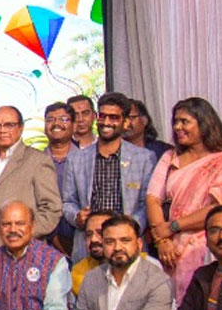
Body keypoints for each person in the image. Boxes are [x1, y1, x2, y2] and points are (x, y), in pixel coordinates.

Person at [145, 96, 222, 301]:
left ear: (204, 124)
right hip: (172, 249)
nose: (177, 127)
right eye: (175, 122)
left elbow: (220, 210)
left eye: (184, 121)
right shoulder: (170, 156)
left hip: (210, 245)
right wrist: (162, 241)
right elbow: (152, 198)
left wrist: (173, 226)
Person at [61, 92, 157, 264]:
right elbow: (67, 202)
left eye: (113, 117)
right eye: (102, 116)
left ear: (125, 122)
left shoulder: (144, 158)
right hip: (88, 247)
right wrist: (77, 217)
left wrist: (129, 228)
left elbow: (147, 204)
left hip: (127, 245)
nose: (106, 122)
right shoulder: (76, 158)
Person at [0, 107, 62, 258]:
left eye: (9, 125)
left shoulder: (38, 161)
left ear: (21, 128)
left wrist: (22, 233)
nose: (2, 130)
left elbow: (52, 209)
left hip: (22, 254)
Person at [68, 210, 115, 294]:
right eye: (89, 234)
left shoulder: (139, 267)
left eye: (100, 233)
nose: (93, 239)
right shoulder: (78, 272)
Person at [44, 102, 78, 190]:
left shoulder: (87, 160)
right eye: (50, 119)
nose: (56, 123)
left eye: (63, 119)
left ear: (74, 126)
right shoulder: (35, 161)